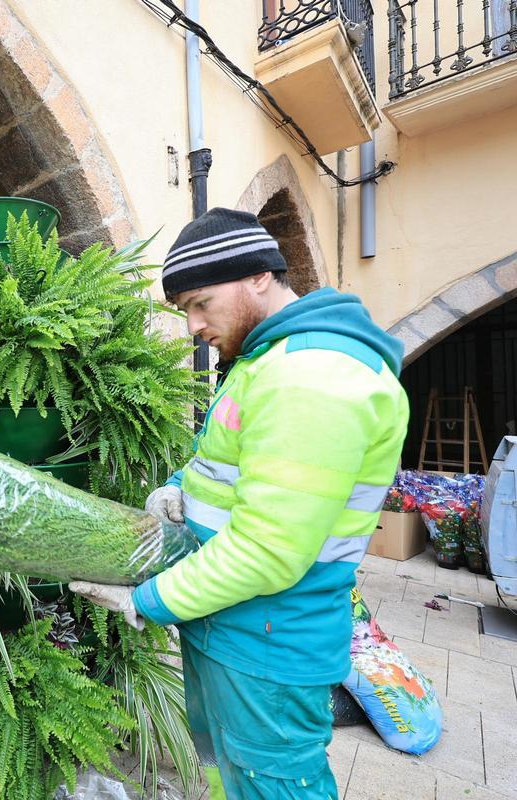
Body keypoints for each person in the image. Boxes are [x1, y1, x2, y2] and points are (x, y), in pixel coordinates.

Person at [70, 207, 409, 800]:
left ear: (258, 276)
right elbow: (238, 469)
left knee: (273, 784)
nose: (195, 325)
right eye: (184, 311)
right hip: (231, 629)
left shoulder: (313, 375)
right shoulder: (266, 362)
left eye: (202, 302)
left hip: (267, 647)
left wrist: (146, 600)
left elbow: (268, 551)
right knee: (228, 776)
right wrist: (181, 486)